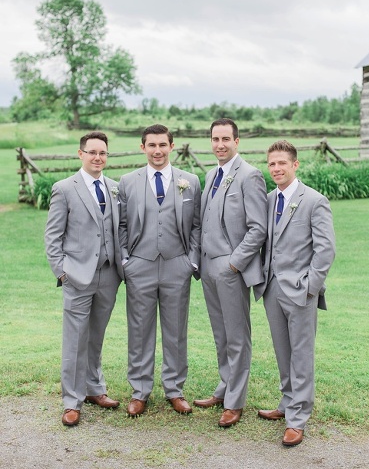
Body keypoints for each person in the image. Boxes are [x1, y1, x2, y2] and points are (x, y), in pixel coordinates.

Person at [118, 124, 202, 417]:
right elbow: (121, 225)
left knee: (176, 329)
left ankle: (175, 389)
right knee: (139, 330)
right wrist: (126, 260)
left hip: (177, 264)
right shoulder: (127, 181)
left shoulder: (190, 181)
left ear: (171, 146)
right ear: (143, 147)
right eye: (151, 145)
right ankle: (140, 391)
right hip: (139, 264)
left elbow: (197, 225)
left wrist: (191, 261)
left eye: (162, 145)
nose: (157, 151)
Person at [257, 140, 336, 447]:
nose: (276, 168)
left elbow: (325, 250)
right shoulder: (268, 200)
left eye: (282, 163)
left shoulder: (314, 201)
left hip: (301, 290)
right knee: (283, 351)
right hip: (272, 288)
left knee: (301, 355)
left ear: (295, 164)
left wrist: (310, 288)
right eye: (272, 164)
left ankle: (298, 418)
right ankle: (287, 402)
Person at [193, 118, 268, 428]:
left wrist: (234, 263)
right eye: (215, 139)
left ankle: (235, 401)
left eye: (225, 139)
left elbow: (258, 228)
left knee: (237, 336)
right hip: (208, 266)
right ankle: (224, 387)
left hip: (231, 268)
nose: (220, 144)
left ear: (237, 141)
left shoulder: (250, 176)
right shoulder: (211, 174)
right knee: (220, 334)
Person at [44, 132, 124, 427]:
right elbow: (53, 236)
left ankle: (94, 388)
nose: (98, 158)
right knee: (75, 339)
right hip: (77, 276)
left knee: (96, 336)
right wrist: (62, 272)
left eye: (102, 153)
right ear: (81, 154)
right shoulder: (65, 188)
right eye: (92, 152)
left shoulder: (114, 188)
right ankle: (71, 401)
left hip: (109, 274)